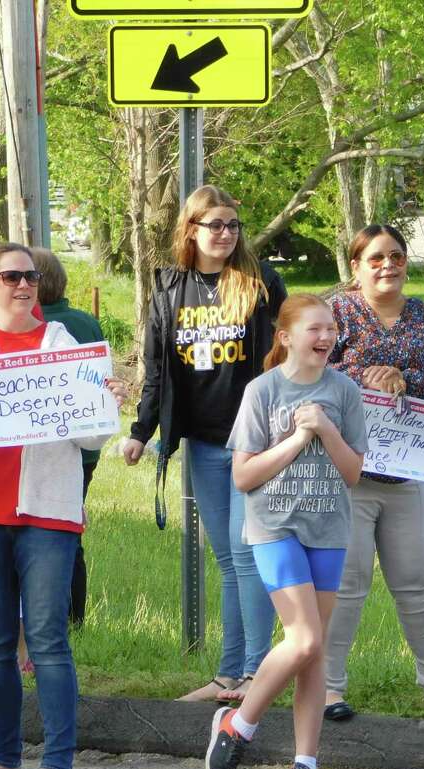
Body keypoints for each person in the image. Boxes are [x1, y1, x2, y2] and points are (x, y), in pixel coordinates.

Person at [0, 243, 125, 769]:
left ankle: (58, 766)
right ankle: (3, 759)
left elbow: (91, 437)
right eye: (11, 276)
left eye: (31, 277)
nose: (23, 285)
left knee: (46, 641)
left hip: (47, 512)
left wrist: (105, 406)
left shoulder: (64, 345)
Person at [123, 184, 286, 702]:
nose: (224, 233)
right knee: (228, 559)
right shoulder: (170, 286)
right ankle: (229, 673)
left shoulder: (260, 283)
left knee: (247, 552)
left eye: (232, 225)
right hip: (203, 443)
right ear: (190, 229)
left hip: (254, 443)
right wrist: (140, 431)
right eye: (214, 224)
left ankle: (257, 673)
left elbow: (287, 354)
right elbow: (156, 369)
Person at [203, 295, 367, 769]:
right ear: (287, 336)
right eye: (315, 329)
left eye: (331, 329)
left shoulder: (345, 391)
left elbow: (354, 471)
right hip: (274, 527)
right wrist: (297, 439)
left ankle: (305, 767)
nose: (325, 338)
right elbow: (244, 475)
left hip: (328, 530)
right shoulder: (262, 391)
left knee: (312, 650)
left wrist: (326, 428)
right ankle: (239, 725)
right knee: (302, 640)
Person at [322, 224, 424, 721]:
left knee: (420, 581)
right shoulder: (337, 314)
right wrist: (364, 378)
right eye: (375, 258)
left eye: (395, 256)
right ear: (356, 267)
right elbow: (304, 371)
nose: (387, 265)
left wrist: (406, 378)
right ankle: (328, 689)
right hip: (347, 473)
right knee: (345, 583)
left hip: (408, 473)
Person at [30, 247, 104, 627]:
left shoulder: (42, 329)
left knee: (55, 536)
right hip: (87, 451)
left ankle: (57, 617)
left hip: (51, 447)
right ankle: (75, 617)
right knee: (71, 530)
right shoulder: (87, 322)